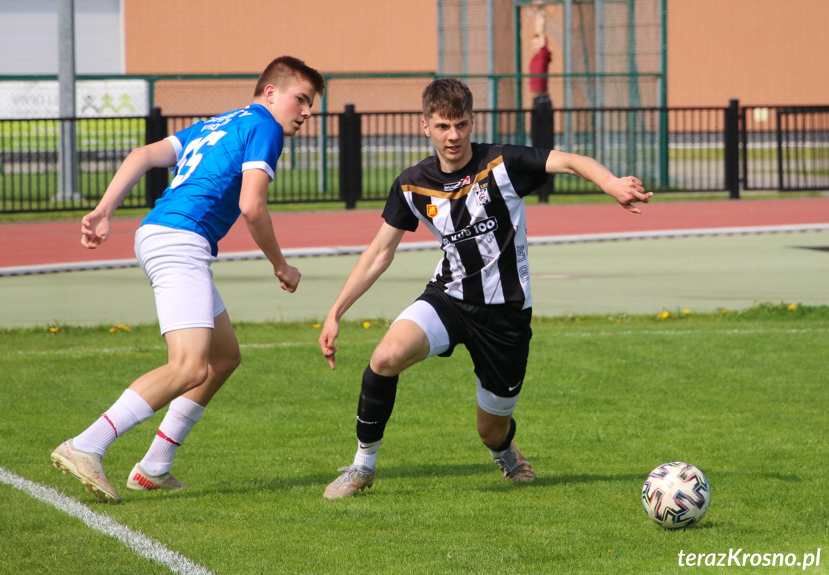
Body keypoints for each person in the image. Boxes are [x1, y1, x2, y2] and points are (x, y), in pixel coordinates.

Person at [317, 78, 650, 499]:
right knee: (385, 357)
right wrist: (335, 311)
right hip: (448, 299)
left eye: (460, 125)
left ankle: (505, 452)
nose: (452, 136)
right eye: (442, 126)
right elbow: (380, 251)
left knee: (489, 429)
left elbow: (568, 161)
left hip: (505, 315)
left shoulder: (502, 163)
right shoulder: (411, 183)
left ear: (471, 122)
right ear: (426, 127)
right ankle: (362, 467)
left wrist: (611, 183)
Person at [51, 56, 325, 504]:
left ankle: (155, 465)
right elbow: (253, 205)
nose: (307, 111)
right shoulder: (266, 128)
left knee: (224, 357)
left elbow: (142, 155)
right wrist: (281, 264)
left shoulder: (218, 123)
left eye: (311, 104)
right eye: (301, 99)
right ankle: (87, 444)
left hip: (163, 233)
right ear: (271, 93)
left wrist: (105, 209)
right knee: (188, 366)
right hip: (180, 240)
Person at [529, 2, 553, 104]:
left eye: (537, 44)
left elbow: (540, 32)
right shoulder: (534, 58)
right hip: (535, 99)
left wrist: (541, 11)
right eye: (533, 44)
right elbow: (537, 33)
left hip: (543, 99)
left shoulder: (543, 54)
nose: (535, 46)